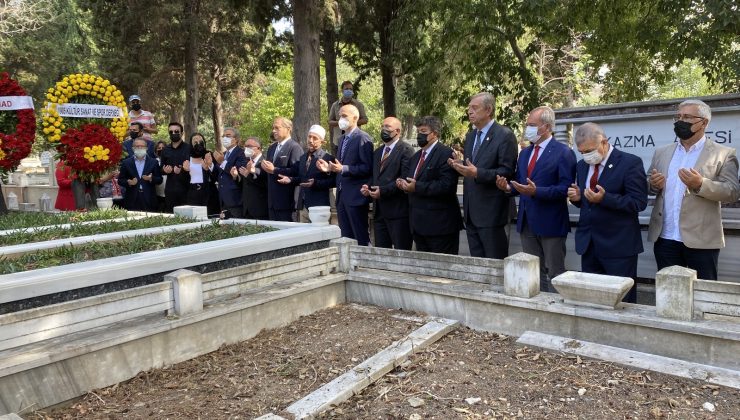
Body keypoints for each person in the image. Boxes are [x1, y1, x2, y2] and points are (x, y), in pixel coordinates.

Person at [647, 99, 740, 280]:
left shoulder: (723, 153)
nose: (680, 121)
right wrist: (653, 184)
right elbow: (649, 183)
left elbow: (732, 192)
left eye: (687, 117)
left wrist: (700, 184)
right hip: (665, 238)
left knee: (704, 292)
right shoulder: (662, 152)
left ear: (703, 123)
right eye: (678, 117)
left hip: (702, 240)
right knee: (670, 291)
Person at [495, 106, 576, 292]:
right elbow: (520, 182)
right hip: (527, 222)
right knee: (532, 273)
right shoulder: (525, 153)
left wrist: (537, 191)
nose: (527, 129)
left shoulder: (563, 152)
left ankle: (555, 306)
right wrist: (507, 187)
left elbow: (566, 188)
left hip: (551, 222)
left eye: (531, 125)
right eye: (527, 125)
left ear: (546, 127)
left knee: (555, 272)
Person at [567, 123, 647, 303]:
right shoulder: (582, 166)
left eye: (589, 150)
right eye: (582, 152)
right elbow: (587, 205)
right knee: (592, 301)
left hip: (618, 247)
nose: (586, 155)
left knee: (622, 302)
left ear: (604, 142)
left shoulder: (630, 163)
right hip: (589, 245)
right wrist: (578, 198)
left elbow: (639, 202)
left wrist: (605, 198)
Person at [448, 92, 517, 259]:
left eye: (474, 108)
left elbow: (507, 171)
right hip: (471, 212)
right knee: (477, 265)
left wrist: (478, 173)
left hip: (492, 213)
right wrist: (459, 165)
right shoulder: (471, 136)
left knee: (494, 263)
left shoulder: (504, 135)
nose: (469, 111)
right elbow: (471, 166)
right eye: (469, 108)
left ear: (488, 110)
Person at [397, 116, 463, 254]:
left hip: (440, 226)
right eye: (418, 131)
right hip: (418, 225)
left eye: (423, 131)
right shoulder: (416, 157)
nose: (419, 135)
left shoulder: (446, 154)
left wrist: (417, 187)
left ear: (435, 133)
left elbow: (447, 186)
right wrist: (404, 185)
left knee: (442, 265)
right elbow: (411, 180)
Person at [317, 104, 373, 245]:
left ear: (355, 118)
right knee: (346, 238)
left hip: (356, 196)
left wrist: (344, 169)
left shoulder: (363, 138)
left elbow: (367, 167)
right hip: (342, 196)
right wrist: (329, 169)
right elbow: (340, 166)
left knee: (360, 237)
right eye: (339, 116)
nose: (340, 119)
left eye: (344, 116)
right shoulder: (341, 139)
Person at [361, 116, 414, 250]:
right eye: (382, 126)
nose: (384, 129)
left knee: (401, 252)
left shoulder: (406, 150)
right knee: (381, 252)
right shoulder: (378, 152)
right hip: (379, 213)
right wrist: (368, 188)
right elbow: (375, 176)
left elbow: (404, 178)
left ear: (397, 131)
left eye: (387, 127)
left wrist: (383, 191)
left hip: (398, 213)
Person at [273, 125, 336, 222]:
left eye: (315, 138)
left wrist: (316, 183)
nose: (310, 140)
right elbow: (302, 178)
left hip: (319, 207)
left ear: (322, 142)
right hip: (303, 206)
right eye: (309, 137)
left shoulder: (327, 158)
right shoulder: (303, 158)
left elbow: (333, 181)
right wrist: (291, 180)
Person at [261, 117, 303, 221]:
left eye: (277, 128)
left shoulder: (294, 147)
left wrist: (275, 170)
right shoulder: (272, 148)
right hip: (272, 202)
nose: (273, 131)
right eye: (273, 128)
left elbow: (297, 171)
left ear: (288, 129)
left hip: (286, 203)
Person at [117, 137, 163, 211]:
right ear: (133, 148)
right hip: (132, 199)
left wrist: (151, 179)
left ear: (146, 148)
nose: (140, 148)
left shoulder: (153, 162)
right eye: (137, 146)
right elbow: (120, 180)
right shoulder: (126, 163)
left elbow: (159, 179)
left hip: (149, 199)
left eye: (142, 146)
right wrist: (129, 182)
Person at [212, 127, 247, 218]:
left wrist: (223, 162)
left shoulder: (242, 153)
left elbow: (238, 172)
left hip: (235, 200)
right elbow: (218, 175)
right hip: (223, 200)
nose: (225, 138)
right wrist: (209, 166)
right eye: (223, 136)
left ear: (236, 139)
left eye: (228, 136)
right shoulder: (222, 154)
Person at [328, 80, 369, 152]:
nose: (349, 91)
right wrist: (341, 122)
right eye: (346, 89)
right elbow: (330, 121)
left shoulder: (358, 104)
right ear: (342, 91)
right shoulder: (335, 105)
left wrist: (351, 122)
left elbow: (365, 120)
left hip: (354, 140)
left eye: (350, 89)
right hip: (338, 141)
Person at [160, 122, 191, 212]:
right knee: (171, 215)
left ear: (182, 133)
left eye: (176, 131)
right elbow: (161, 169)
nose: (173, 133)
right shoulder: (165, 150)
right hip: (170, 190)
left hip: (186, 189)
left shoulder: (189, 148)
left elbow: (194, 168)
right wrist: (165, 170)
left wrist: (183, 170)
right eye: (171, 132)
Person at [238, 137, 269, 219]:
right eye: (245, 146)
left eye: (249, 146)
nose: (246, 148)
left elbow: (265, 183)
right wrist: (236, 176)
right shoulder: (246, 162)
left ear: (259, 148)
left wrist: (248, 175)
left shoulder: (265, 162)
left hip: (261, 208)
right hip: (247, 209)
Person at [183, 133, 216, 208]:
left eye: (200, 141)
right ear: (191, 144)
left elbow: (216, 175)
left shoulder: (209, 155)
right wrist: (185, 170)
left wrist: (209, 166)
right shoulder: (186, 157)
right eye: (195, 142)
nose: (198, 143)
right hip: (192, 194)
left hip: (209, 194)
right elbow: (183, 179)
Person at [154, 141, 167, 212]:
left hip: (168, 191)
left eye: (163, 148)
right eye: (159, 148)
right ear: (156, 150)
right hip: (157, 192)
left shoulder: (170, 160)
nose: (161, 149)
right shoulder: (153, 162)